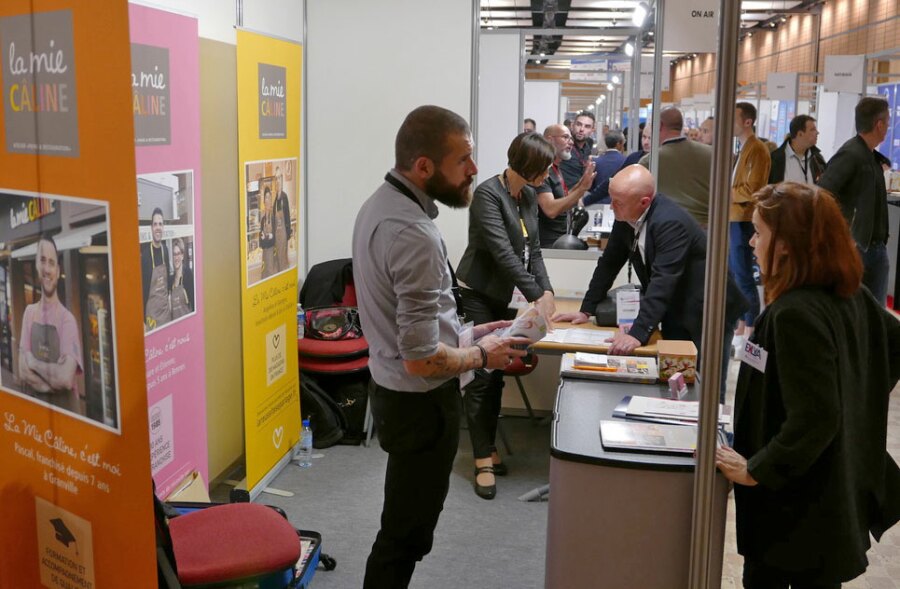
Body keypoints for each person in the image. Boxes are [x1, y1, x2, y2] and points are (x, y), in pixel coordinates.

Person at [352, 105, 530, 589]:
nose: (475, 169)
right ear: (424, 167)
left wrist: (471, 334)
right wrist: (483, 356)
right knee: (403, 539)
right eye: (464, 159)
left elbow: (409, 329)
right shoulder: (413, 233)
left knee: (403, 531)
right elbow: (422, 359)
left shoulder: (382, 205)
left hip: (397, 395)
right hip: (421, 405)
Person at [716, 182, 900, 588]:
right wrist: (857, 394)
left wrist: (756, 469)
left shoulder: (796, 314)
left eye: (760, 232)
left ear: (786, 244)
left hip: (796, 509)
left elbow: (816, 416)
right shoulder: (852, 296)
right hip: (822, 497)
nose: (751, 241)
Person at [553, 165, 746, 398]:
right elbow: (609, 263)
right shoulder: (626, 215)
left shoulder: (669, 222)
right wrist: (586, 309)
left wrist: (637, 333)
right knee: (676, 379)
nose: (612, 207)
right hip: (676, 306)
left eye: (618, 202)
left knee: (707, 387)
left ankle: (709, 432)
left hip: (709, 309)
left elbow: (663, 280)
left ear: (644, 202)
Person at [456, 132, 556, 500]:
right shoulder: (487, 194)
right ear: (528, 166)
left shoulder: (527, 196)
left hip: (503, 296)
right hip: (478, 293)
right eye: (544, 167)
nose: (548, 174)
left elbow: (535, 252)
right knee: (482, 375)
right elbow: (503, 253)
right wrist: (535, 295)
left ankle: (490, 447)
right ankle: (482, 458)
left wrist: (547, 293)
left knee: (497, 374)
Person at [818, 97, 891, 305]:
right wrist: (844, 236)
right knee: (863, 312)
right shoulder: (852, 154)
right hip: (861, 249)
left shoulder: (867, 155)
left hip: (870, 247)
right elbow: (823, 193)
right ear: (879, 124)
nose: (888, 126)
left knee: (872, 315)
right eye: (887, 121)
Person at [18, 234, 84, 414]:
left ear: (58, 269)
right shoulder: (28, 314)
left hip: (66, 417)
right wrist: (51, 385)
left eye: (52, 263)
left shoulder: (67, 320)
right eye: (43, 261)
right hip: (38, 416)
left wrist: (32, 361)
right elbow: (22, 371)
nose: (47, 269)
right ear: (36, 266)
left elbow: (64, 379)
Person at [730, 102, 770, 351]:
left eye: (734, 118)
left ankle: (750, 334)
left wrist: (727, 191)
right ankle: (741, 328)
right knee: (736, 275)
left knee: (744, 277)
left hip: (743, 219)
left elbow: (752, 189)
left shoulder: (757, 149)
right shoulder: (743, 148)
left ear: (747, 121)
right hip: (734, 217)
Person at [639, 107, 713, 227]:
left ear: (660, 125)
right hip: (708, 230)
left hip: (669, 230)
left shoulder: (650, 161)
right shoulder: (712, 155)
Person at [536, 124, 596, 248]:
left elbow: (563, 198)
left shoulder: (556, 168)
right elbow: (551, 209)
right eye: (565, 137)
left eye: (571, 139)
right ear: (549, 140)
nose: (571, 143)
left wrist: (581, 184)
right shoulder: (543, 171)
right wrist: (582, 189)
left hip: (560, 240)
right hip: (548, 245)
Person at [768, 115, 826, 186]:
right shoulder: (775, 159)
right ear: (800, 134)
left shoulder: (817, 159)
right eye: (812, 130)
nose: (817, 132)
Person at [141, 207, 172, 331]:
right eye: (155, 224)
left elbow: (168, 282)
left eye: (160, 224)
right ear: (151, 228)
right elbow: (142, 290)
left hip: (165, 315)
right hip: (151, 319)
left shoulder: (165, 250)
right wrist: (142, 321)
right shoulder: (146, 255)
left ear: (163, 227)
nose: (158, 227)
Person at [582, 131, 625, 205]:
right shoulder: (625, 161)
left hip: (597, 202)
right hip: (618, 203)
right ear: (619, 144)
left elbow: (589, 185)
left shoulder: (595, 161)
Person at [559, 111, 596, 188]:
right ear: (572, 125)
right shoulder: (562, 145)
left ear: (592, 130)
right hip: (561, 194)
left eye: (587, 126)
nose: (582, 129)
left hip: (579, 192)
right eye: (579, 124)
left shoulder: (587, 148)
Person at [273, 167, 293, 270]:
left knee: (284, 261)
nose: (278, 180)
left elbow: (288, 216)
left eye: (279, 177)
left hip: (284, 236)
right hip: (277, 237)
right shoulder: (275, 199)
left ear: (282, 180)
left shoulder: (284, 197)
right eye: (276, 178)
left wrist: (288, 235)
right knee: (278, 263)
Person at [170, 237, 194, 319]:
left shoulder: (188, 275)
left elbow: (194, 305)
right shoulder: (171, 280)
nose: (176, 257)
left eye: (178, 253)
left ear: (182, 256)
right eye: (174, 254)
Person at [258, 186, 279, 279]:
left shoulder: (274, 217)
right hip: (265, 253)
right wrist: (262, 237)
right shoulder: (263, 219)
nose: (268, 200)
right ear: (264, 201)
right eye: (266, 197)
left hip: (272, 253)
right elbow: (261, 242)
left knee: (271, 274)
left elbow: (275, 239)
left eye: (269, 198)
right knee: (264, 274)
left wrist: (267, 238)